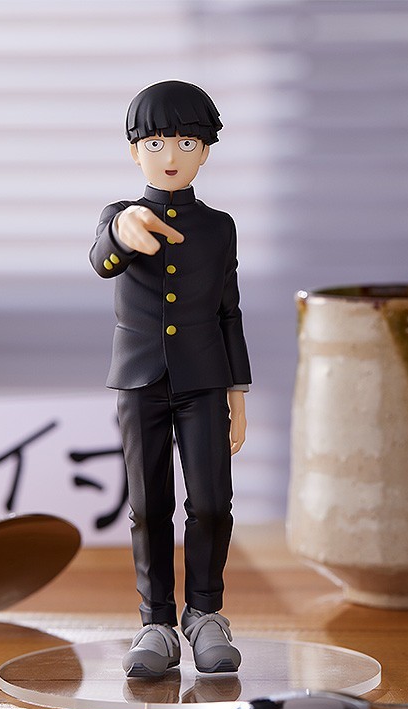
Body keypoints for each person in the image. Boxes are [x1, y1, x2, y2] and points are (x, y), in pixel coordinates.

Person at [89, 81, 252, 677]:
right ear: (135, 151)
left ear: (205, 150)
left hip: (204, 379)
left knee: (211, 501)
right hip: (140, 382)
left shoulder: (219, 226)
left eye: (186, 142)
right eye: (155, 142)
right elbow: (102, 259)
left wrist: (238, 393)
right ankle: (155, 621)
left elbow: (229, 311)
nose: (171, 155)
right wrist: (123, 233)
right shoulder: (120, 215)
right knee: (147, 504)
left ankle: (205, 613)